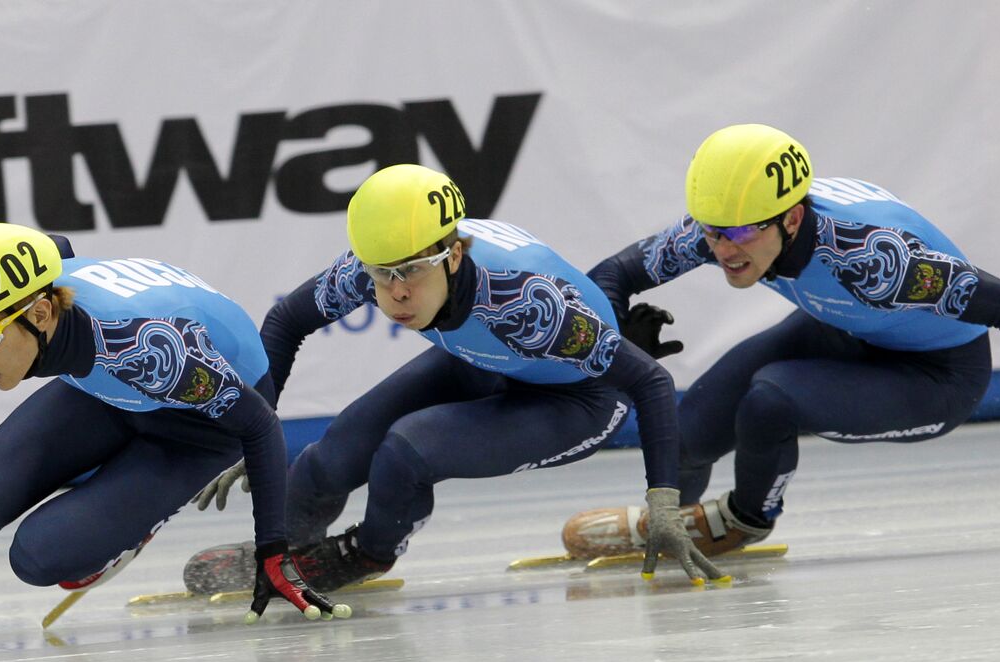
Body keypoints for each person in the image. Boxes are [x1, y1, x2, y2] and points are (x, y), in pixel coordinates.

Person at [563, 123, 1000, 559]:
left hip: (937, 376)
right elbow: (611, 276)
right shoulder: (732, 222)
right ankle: (673, 522)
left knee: (770, 399)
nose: (723, 250)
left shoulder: (873, 259)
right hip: (849, 330)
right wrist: (613, 337)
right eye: (711, 232)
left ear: (790, 219)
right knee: (692, 429)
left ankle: (745, 518)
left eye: (738, 233)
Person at [186, 163, 723, 594]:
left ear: (455, 253)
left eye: (412, 271)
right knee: (335, 451)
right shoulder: (374, 264)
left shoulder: (524, 303)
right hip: (490, 360)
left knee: (405, 453)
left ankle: (365, 553)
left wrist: (663, 502)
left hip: (579, 398)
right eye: (383, 273)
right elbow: (286, 321)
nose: (396, 292)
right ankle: (294, 547)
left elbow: (650, 382)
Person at [0, 223, 337, 636]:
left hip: (198, 422)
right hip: (112, 388)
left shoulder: (142, 345)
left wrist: (274, 552)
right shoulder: (46, 283)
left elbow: (261, 426)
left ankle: (136, 523)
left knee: (39, 556)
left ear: (42, 312)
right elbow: (57, 245)